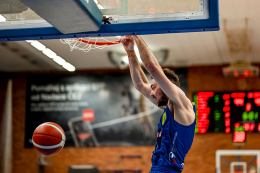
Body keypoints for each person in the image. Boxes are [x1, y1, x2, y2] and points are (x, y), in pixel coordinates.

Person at [120, 36, 196, 173]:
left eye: (154, 87)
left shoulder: (182, 105)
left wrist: (135, 35)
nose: (152, 93)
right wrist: (130, 52)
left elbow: (151, 67)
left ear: (166, 85)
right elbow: (140, 86)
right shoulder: (170, 108)